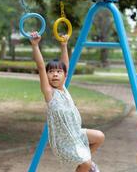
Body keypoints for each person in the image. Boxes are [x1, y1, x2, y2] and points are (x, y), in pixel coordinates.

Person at [30, 31, 105, 172]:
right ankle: (86, 164)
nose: (55, 74)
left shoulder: (64, 88)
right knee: (86, 164)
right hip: (63, 141)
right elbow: (40, 66)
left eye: (59, 72)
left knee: (99, 137)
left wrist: (64, 45)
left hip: (76, 133)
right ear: (47, 76)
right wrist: (35, 46)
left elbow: (65, 65)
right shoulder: (49, 93)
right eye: (51, 72)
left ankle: (85, 162)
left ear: (65, 76)